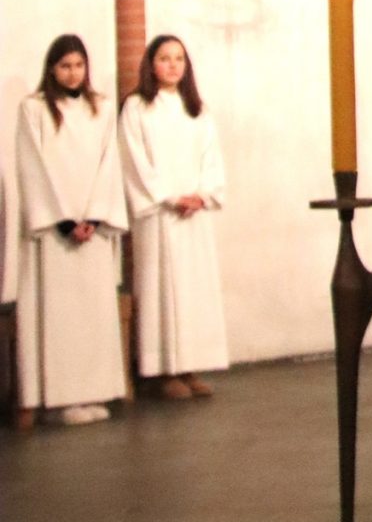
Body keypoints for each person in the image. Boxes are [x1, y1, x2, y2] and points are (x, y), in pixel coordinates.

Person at [14, 34, 128, 423]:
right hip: (54, 230)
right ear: (51, 68)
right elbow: (32, 165)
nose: (73, 73)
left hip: (91, 228)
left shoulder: (101, 108)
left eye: (79, 65)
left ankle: (92, 391)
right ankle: (58, 401)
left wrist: (93, 218)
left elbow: (109, 163)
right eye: (65, 66)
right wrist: (62, 220)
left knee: (91, 314)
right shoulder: (34, 109)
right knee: (58, 316)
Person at [120, 34, 229, 400]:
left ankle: (190, 367)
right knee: (162, 290)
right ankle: (163, 371)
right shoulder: (137, 107)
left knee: (193, 290)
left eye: (179, 59)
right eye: (164, 58)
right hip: (159, 214)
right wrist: (169, 197)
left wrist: (202, 194)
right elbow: (134, 159)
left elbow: (211, 158)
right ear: (151, 64)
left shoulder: (196, 108)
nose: (172, 65)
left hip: (193, 214)